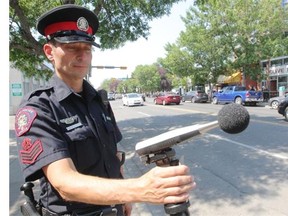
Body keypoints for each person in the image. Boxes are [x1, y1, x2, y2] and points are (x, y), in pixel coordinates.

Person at [15, 4, 196, 216]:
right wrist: (139, 189)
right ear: (49, 52)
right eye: (72, 47)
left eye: (87, 48)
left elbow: (113, 155)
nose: (83, 55)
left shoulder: (98, 100)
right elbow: (65, 183)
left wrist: (124, 199)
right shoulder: (38, 107)